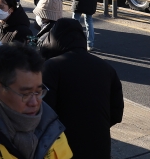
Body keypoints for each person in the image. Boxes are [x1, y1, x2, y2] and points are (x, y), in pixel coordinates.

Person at [39, 18, 124, 158]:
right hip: (99, 145)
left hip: (63, 147)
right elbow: (116, 112)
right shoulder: (106, 68)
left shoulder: (51, 67)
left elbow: (44, 111)